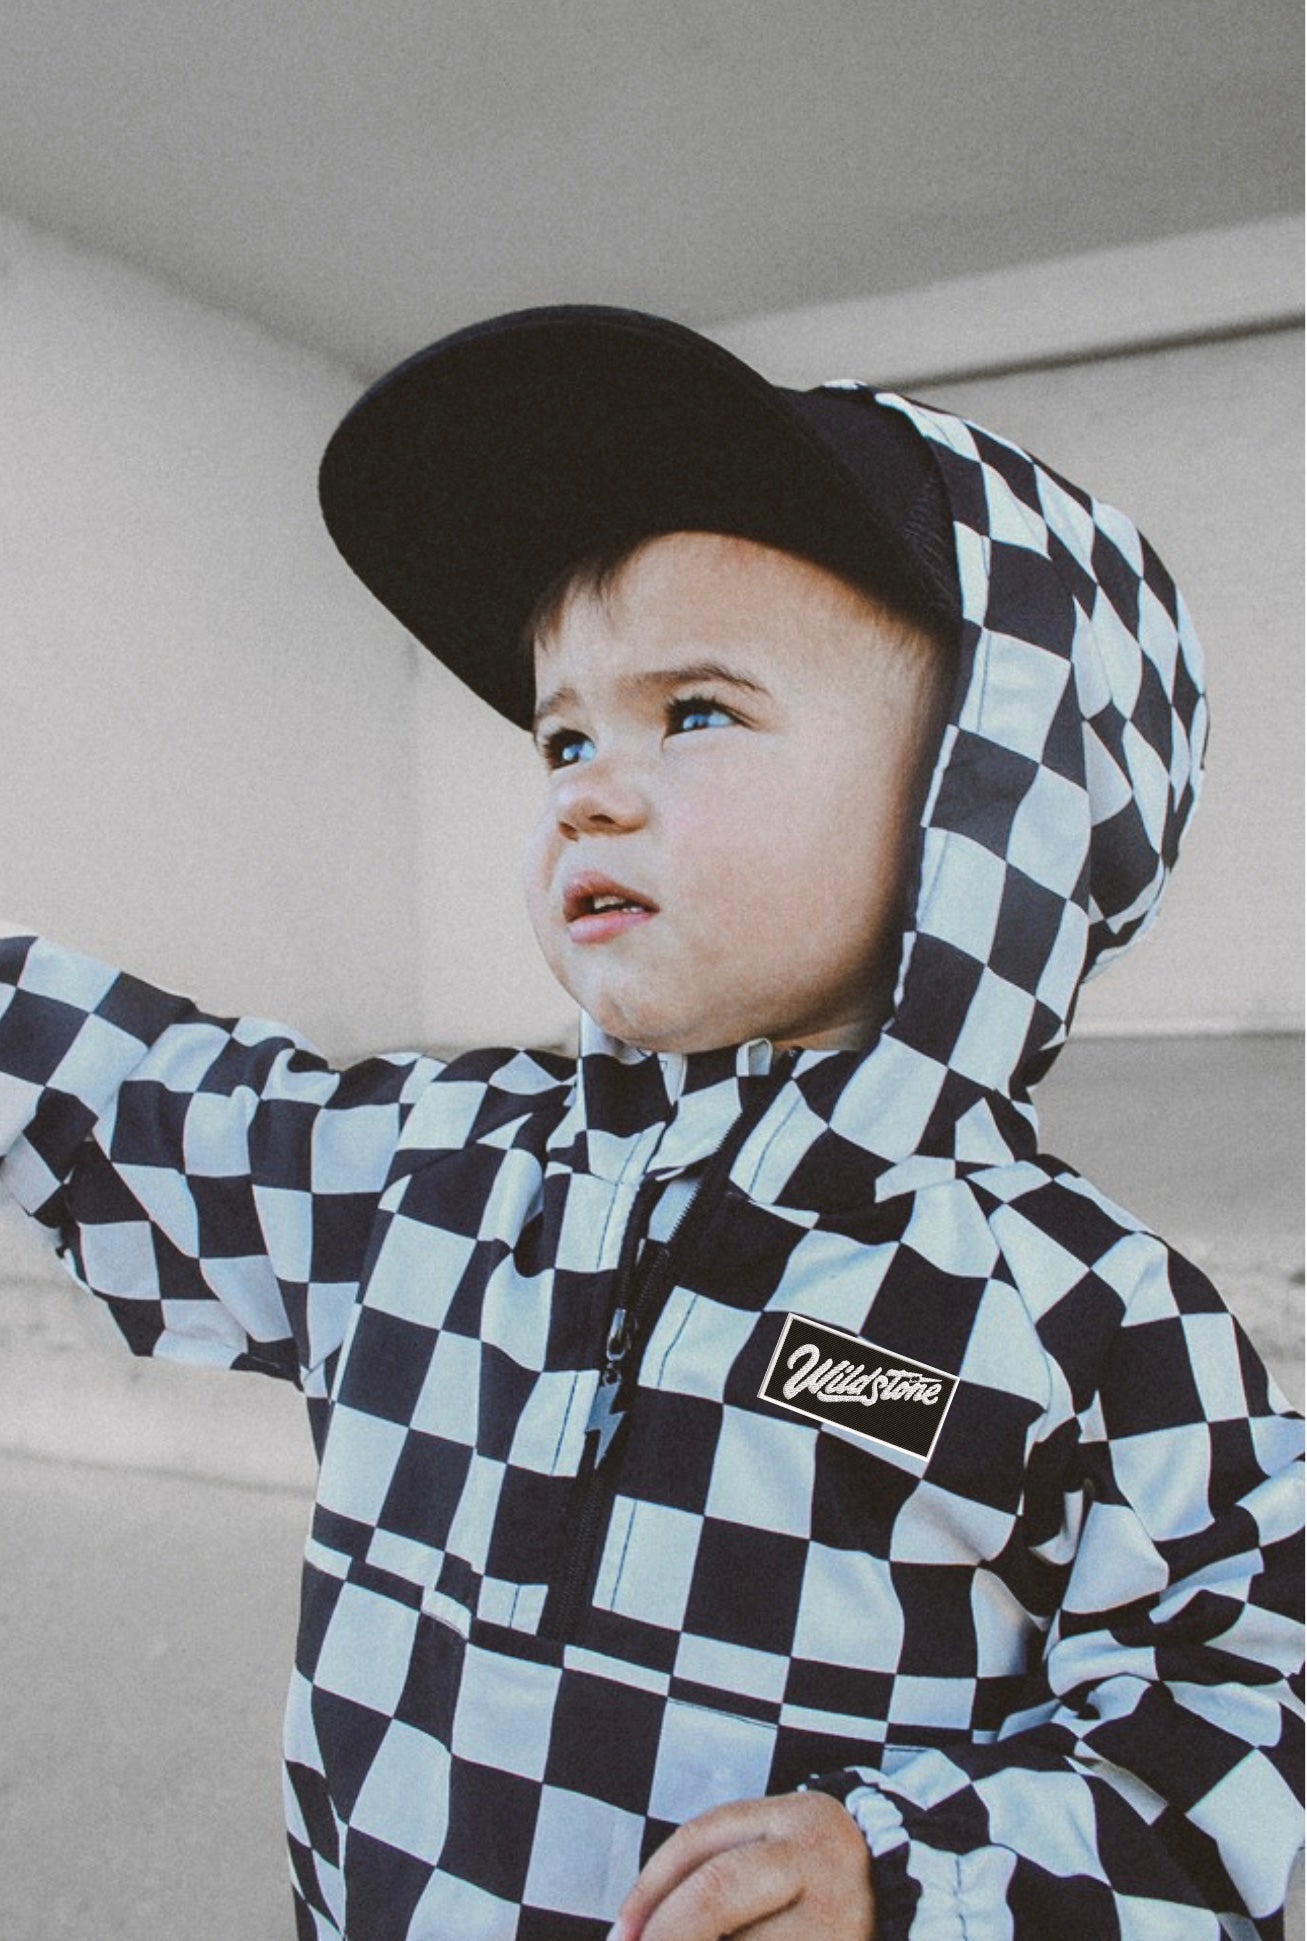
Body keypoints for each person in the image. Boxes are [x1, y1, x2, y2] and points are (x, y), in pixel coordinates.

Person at [0, 306, 1300, 1940]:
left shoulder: (1079, 1318)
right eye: (564, 731)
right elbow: (154, 1103)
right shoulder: (423, 1177)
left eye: (694, 712)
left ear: (986, 803)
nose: (586, 789)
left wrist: (918, 1880)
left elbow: (1250, 1702)